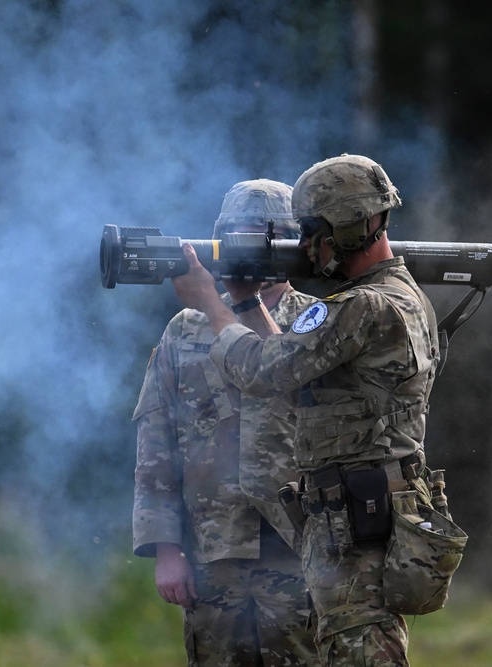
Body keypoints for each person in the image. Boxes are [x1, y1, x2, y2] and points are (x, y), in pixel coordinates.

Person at [169, 155, 442, 667]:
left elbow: (262, 373)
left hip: (356, 521)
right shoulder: (401, 297)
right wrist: (248, 304)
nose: (306, 249)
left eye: (311, 231)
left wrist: (211, 302)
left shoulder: (359, 307)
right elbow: (295, 382)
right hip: (365, 515)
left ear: (347, 227)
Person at [132, 179, 318, 666]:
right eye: (234, 235)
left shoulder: (316, 322)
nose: (245, 247)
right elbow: (158, 439)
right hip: (214, 547)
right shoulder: (185, 327)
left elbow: (295, 390)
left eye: (259, 236)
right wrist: (166, 550)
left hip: (296, 547)